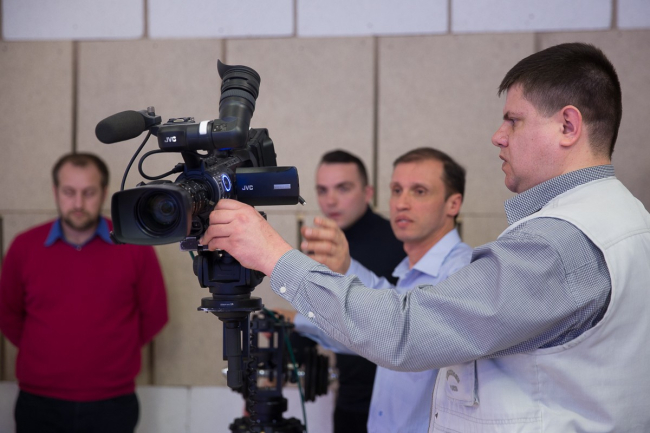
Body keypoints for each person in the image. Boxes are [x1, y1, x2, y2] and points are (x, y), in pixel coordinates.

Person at [200, 42, 650, 432]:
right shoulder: (622, 218)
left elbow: (405, 331)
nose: (498, 137)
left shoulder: (560, 242)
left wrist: (273, 254)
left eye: (514, 120)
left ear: (568, 126)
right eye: (397, 190)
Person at [290, 147, 471, 433]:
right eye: (397, 190)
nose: (402, 203)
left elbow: (402, 333)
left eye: (419, 191)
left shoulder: (465, 273)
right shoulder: (407, 272)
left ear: (453, 204)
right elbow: (371, 330)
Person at [0, 153, 169, 433]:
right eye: (69, 192)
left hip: (112, 402)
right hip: (38, 402)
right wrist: (44, 352)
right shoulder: (24, 247)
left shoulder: (134, 246)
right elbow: (7, 315)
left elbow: (155, 315)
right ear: (55, 191)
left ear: (104, 192)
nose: (78, 203)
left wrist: (114, 352)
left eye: (88, 193)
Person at [294, 150, 405, 433]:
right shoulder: (323, 243)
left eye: (343, 188)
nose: (330, 200)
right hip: (347, 400)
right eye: (322, 190)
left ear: (368, 193)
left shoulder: (401, 242)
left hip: (398, 404)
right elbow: (315, 312)